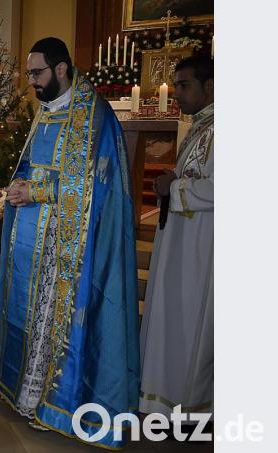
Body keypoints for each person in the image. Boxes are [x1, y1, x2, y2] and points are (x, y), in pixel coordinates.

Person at [0, 37, 140, 449]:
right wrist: (19, 187)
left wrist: (38, 192)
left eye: (37, 73)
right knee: (27, 312)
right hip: (32, 235)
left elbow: (95, 186)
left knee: (55, 316)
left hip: (69, 242)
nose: (31, 81)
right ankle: (24, 391)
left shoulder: (94, 116)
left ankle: (54, 401)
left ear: (63, 68)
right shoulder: (47, 111)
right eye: (29, 73)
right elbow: (34, 164)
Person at [139, 55, 214, 419]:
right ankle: (164, 401)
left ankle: (189, 409)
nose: (177, 93)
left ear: (210, 87)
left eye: (185, 85)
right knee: (173, 320)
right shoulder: (201, 126)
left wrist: (176, 185)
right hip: (182, 242)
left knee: (190, 324)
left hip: (202, 249)